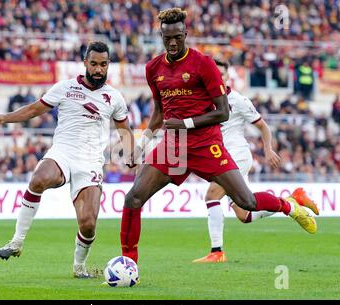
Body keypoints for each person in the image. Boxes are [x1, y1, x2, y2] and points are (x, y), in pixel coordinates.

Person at [120, 8, 319, 264]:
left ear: (185, 34)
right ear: (160, 35)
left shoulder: (204, 64)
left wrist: (185, 123)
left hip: (206, 145)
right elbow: (159, 112)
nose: (172, 43)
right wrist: (141, 145)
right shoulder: (153, 68)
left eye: (177, 37)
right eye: (167, 38)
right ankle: (128, 265)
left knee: (245, 202)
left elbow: (223, 112)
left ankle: (288, 206)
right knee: (133, 197)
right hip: (173, 148)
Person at [0, 41, 136, 278]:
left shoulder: (114, 98)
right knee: (38, 179)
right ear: (85, 63)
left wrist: (131, 152)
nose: (98, 69)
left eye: (103, 65)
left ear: (108, 66)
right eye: (94, 64)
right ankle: (16, 242)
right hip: (63, 151)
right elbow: (34, 110)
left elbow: (124, 129)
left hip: (91, 161)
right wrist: (2, 118)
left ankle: (79, 268)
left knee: (87, 224)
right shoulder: (65, 87)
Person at [193, 60, 319, 263]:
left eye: (222, 74)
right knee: (245, 214)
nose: (218, 77)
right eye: (215, 73)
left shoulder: (238, 100)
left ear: (226, 77)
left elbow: (263, 126)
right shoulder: (202, 99)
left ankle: (217, 252)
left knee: (212, 195)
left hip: (236, 155)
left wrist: (268, 148)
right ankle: (291, 201)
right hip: (220, 157)